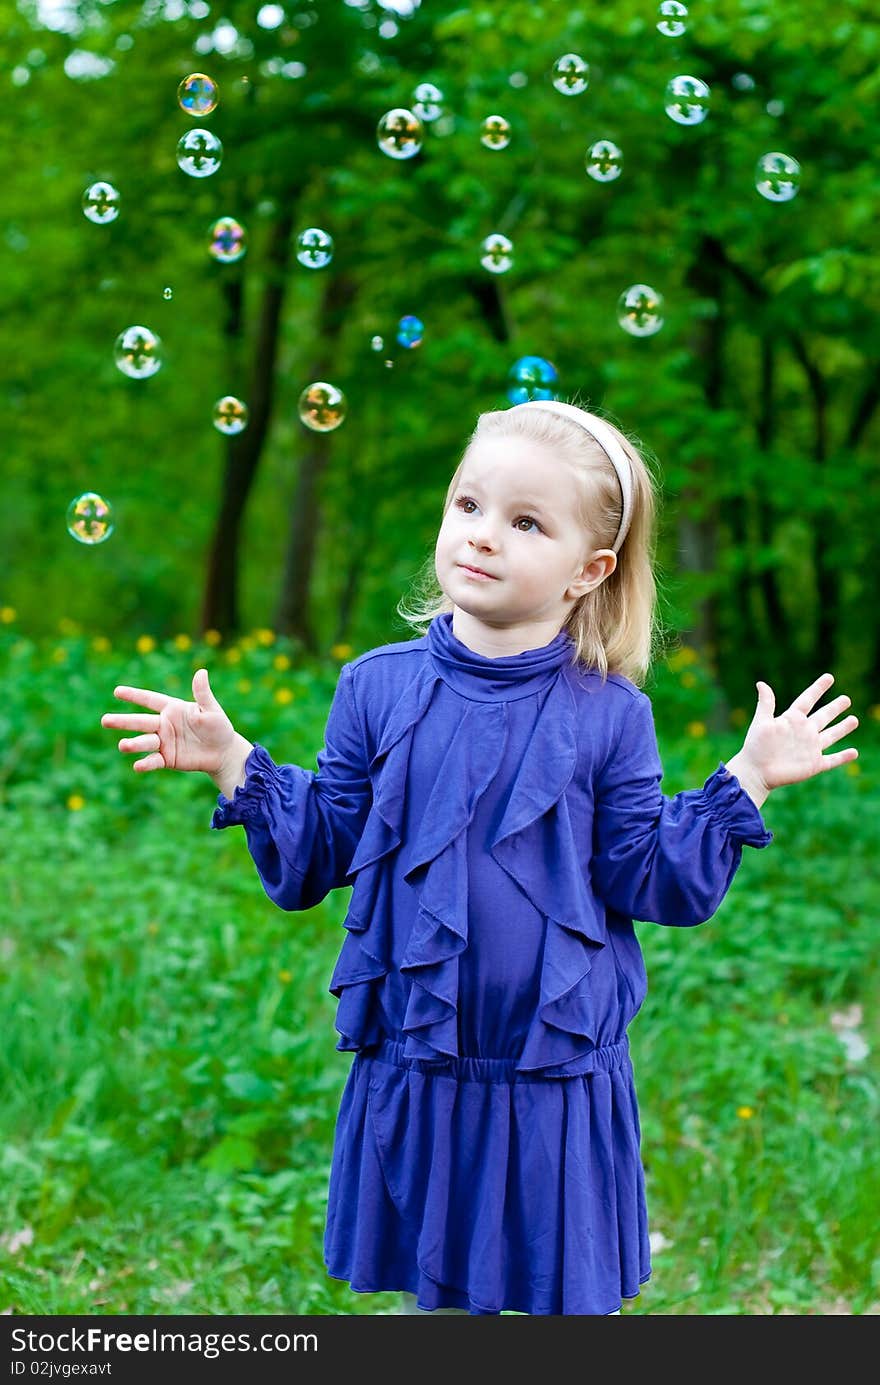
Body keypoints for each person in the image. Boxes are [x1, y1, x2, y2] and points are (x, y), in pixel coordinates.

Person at [100, 399, 859, 1316]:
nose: (484, 536)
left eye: (525, 521)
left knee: (554, 1292)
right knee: (444, 1290)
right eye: (469, 505)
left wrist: (747, 778)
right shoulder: (375, 686)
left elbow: (646, 873)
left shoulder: (612, 715)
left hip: (552, 1068)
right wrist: (235, 764)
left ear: (590, 569)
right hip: (421, 1055)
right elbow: (324, 850)